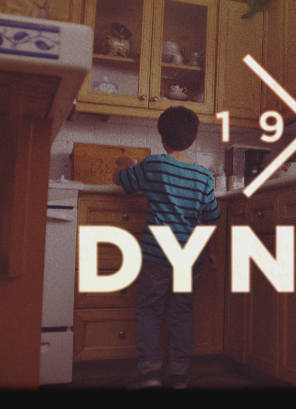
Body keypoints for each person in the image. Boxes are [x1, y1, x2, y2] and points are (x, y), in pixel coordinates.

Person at [113, 106, 221, 390]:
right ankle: (179, 373)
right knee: (182, 311)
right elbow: (211, 218)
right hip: (189, 253)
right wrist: (210, 251)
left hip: (158, 253)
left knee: (150, 309)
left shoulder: (153, 165)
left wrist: (123, 165)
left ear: (162, 137)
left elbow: (122, 182)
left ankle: (149, 372)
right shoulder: (204, 176)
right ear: (194, 138)